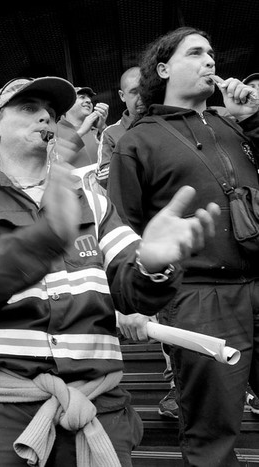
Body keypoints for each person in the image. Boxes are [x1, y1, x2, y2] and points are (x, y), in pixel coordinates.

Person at [0, 76, 220, 466]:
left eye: (50, 113)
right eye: (29, 109)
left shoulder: (94, 201)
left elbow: (134, 292)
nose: (45, 118)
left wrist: (153, 265)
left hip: (98, 404)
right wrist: (48, 235)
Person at [107, 27, 259, 466]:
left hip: (258, 278)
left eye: (212, 53)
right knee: (212, 432)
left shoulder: (236, 125)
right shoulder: (137, 140)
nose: (210, 60)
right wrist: (129, 304)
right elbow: (121, 228)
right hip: (198, 297)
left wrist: (253, 120)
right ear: (163, 68)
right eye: (195, 53)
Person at [96, 67, 146, 189]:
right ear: (122, 96)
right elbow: (103, 178)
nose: (141, 96)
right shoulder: (110, 133)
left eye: (144, 89)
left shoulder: (165, 121)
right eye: (134, 91)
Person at [56, 86, 109, 168]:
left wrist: (102, 128)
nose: (88, 100)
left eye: (89, 98)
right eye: (82, 97)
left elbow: (116, 155)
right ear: (67, 103)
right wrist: (81, 132)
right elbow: (54, 162)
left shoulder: (97, 132)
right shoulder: (54, 131)